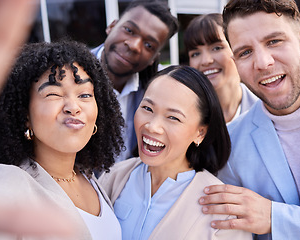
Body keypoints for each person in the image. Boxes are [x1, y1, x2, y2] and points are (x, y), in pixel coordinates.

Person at [198, 0, 300, 239]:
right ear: (236, 64)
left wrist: (275, 218)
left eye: (274, 41)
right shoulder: (231, 141)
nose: (263, 63)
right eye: (245, 52)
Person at [0, 40, 125, 240]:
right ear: (25, 114)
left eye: (85, 95)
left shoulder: (89, 178)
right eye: (53, 94)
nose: (73, 107)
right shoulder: (8, 181)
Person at [99, 65, 252, 240]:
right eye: (147, 108)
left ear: (200, 132)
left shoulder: (223, 212)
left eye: (173, 117)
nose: (152, 126)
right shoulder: (113, 177)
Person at [92, 0, 179, 162]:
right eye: (129, 30)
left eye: (149, 45)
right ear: (112, 26)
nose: (134, 46)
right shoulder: (69, 72)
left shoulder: (158, 86)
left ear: (154, 58)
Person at [184, 13, 257, 124]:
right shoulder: (183, 115)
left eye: (217, 48)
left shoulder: (266, 109)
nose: (205, 61)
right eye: (195, 54)